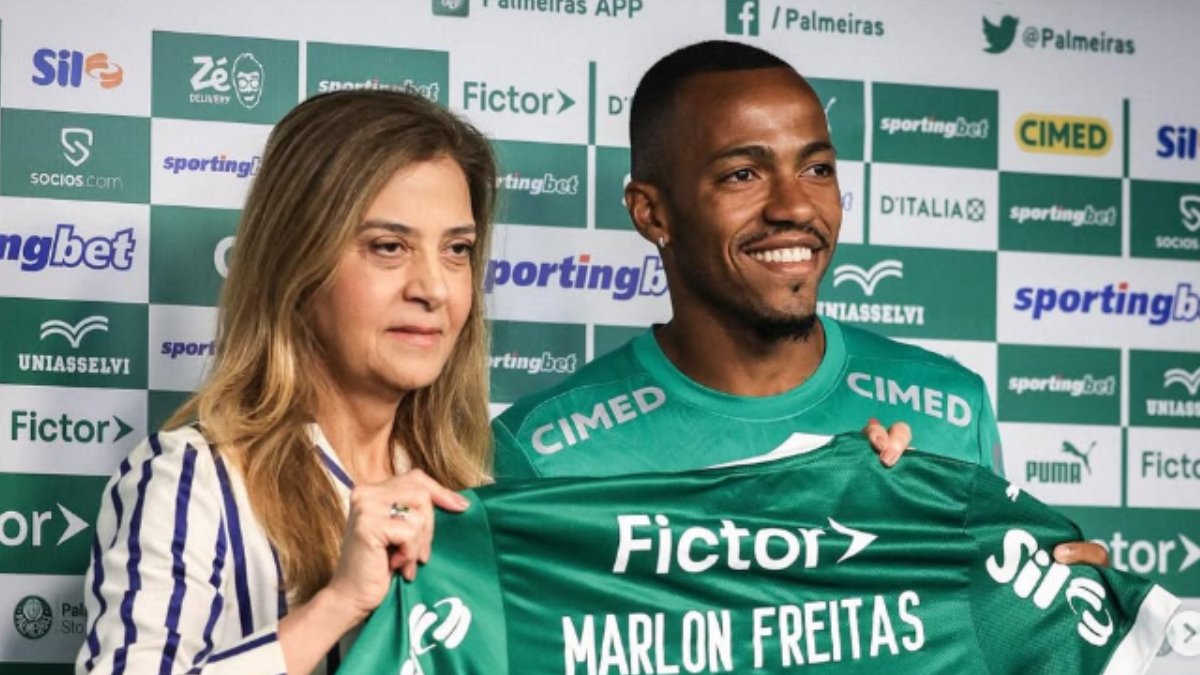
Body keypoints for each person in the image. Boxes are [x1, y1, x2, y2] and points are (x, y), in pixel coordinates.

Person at [491, 40, 1106, 566]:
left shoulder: (950, 410)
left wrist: (1063, 606)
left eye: (816, 168)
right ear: (652, 213)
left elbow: (991, 633)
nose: (794, 206)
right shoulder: (543, 453)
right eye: (742, 175)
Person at [77, 90, 497, 674]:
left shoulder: (473, 495)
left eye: (457, 250)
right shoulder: (192, 481)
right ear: (299, 266)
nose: (434, 288)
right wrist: (338, 604)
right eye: (389, 247)